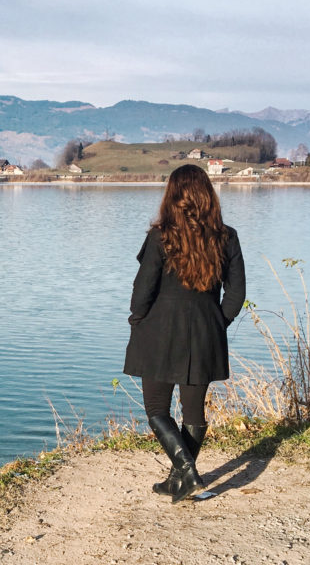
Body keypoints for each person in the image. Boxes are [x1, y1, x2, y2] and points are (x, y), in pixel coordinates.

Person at [123, 164, 245, 503]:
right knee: (194, 413)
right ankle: (179, 479)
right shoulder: (226, 236)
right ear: (207, 195)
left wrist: (138, 321)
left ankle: (187, 473)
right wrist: (217, 323)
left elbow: (142, 290)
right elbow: (236, 295)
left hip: (160, 330)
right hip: (205, 331)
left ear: (172, 196)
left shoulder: (161, 235)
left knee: (157, 409)